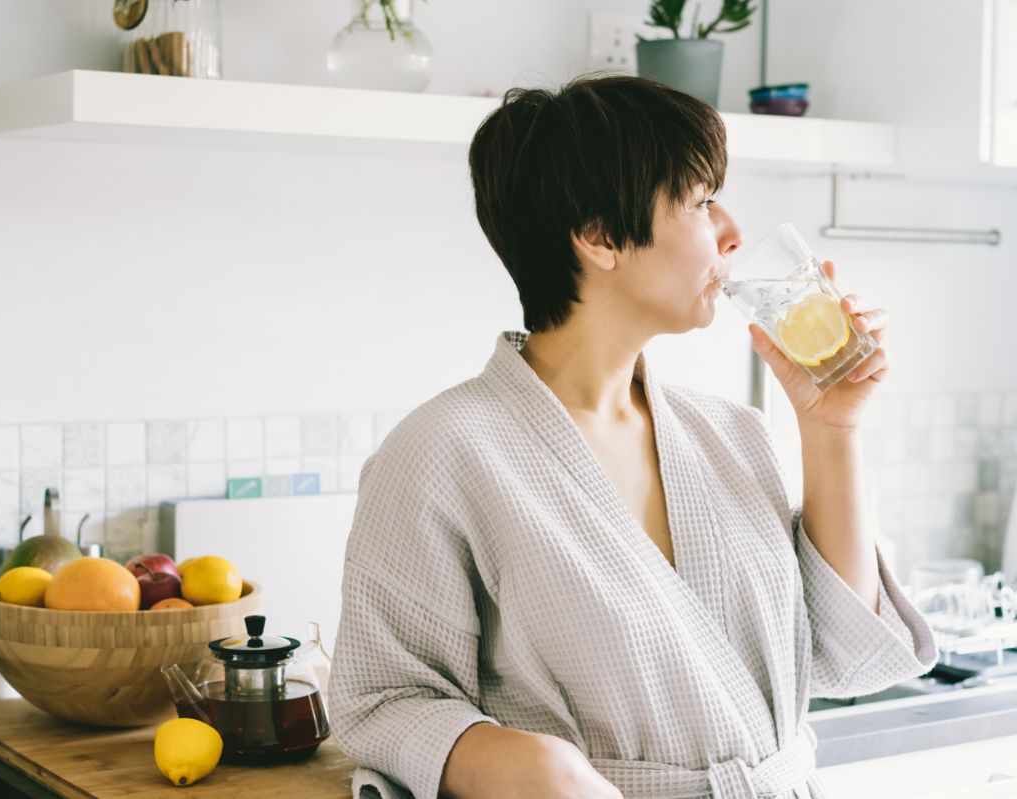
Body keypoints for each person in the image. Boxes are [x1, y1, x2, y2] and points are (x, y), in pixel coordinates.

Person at [328, 73, 937, 799]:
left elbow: (851, 657)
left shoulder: (731, 435)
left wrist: (831, 428)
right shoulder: (439, 455)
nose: (733, 232)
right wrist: (536, 770)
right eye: (702, 201)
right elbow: (382, 701)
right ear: (598, 235)